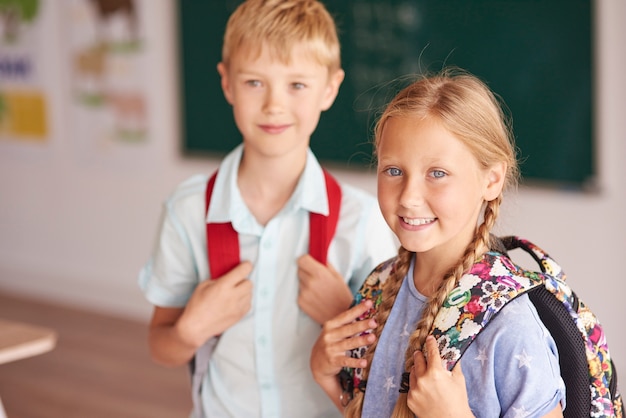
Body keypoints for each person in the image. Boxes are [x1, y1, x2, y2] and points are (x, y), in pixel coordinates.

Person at [137, 0, 397, 417]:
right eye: (255, 82)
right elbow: (161, 346)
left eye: (297, 85)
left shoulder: (360, 219)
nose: (274, 105)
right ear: (227, 84)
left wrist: (340, 314)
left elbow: (391, 360)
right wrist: (191, 329)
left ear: (329, 88)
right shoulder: (188, 212)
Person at [310, 69, 566, 418]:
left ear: (491, 179)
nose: (410, 198)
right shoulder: (380, 288)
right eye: (394, 171)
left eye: (437, 173)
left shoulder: (510, 324)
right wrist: (327, 377)